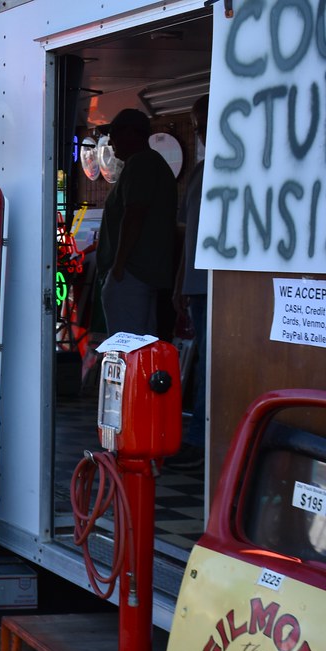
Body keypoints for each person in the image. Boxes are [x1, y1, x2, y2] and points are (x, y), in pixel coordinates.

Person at [95, 108, 177, 337]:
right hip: (143, 273)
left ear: (132, 133)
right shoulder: (153, 163)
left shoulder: (141, 163)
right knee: (141, 342)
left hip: (132, 273)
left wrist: (118, 266)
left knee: (126, 343)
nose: (110, 141)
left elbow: (134, 214)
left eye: (114, 133)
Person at [169, 94, 210, 474]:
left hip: (223, 287)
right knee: (202, 363)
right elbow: (188, 235)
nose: (202, 133)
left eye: (206, 124)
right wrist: (181, 282)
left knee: (211, 365)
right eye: (198, 127)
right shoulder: (198, 172)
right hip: (197, 284)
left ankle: (201, 439)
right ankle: (197, 437)